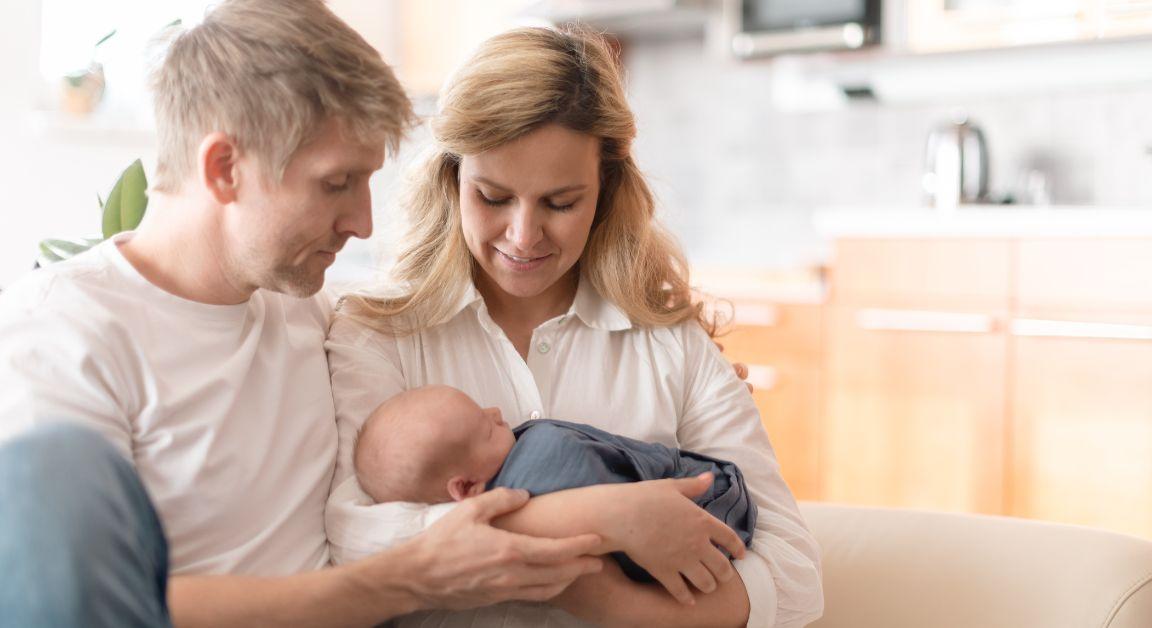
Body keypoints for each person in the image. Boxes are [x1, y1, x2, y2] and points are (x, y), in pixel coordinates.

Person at [0, 2, 624, 626]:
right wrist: (402, 581)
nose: (363, 222)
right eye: (335, 183)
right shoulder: (62, 331)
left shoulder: (313, 315)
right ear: (224, 169)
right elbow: (79, 609)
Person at [326, 25, 824, 627]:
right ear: (451, 179)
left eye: (560, 202)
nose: (523, 235)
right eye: (492, 196)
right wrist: (606, 519)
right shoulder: (377, 333)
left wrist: (605, 600)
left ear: (605, 191)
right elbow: (353, 543)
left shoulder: (669, 344)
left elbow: (795, 578)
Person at [339, 384, 757, 585]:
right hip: (711, 504)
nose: (496, 411)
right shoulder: (543, 457)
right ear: (466, 489)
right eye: (486, 427)